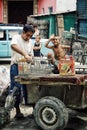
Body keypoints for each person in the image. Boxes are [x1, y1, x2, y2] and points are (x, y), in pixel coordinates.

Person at [9, 24, 35, 118]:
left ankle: (34, 111)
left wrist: (30, 58)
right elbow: (13, 46)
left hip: (25, 67)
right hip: (16, 66)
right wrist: (24, 54)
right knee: (16, 88)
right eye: (27, 35)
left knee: (28, 88)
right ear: (23, 32)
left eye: (30, 36)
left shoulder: (30, 42)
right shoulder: (16, 37)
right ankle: (17, 111)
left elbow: (31, 54)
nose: (29, 37)